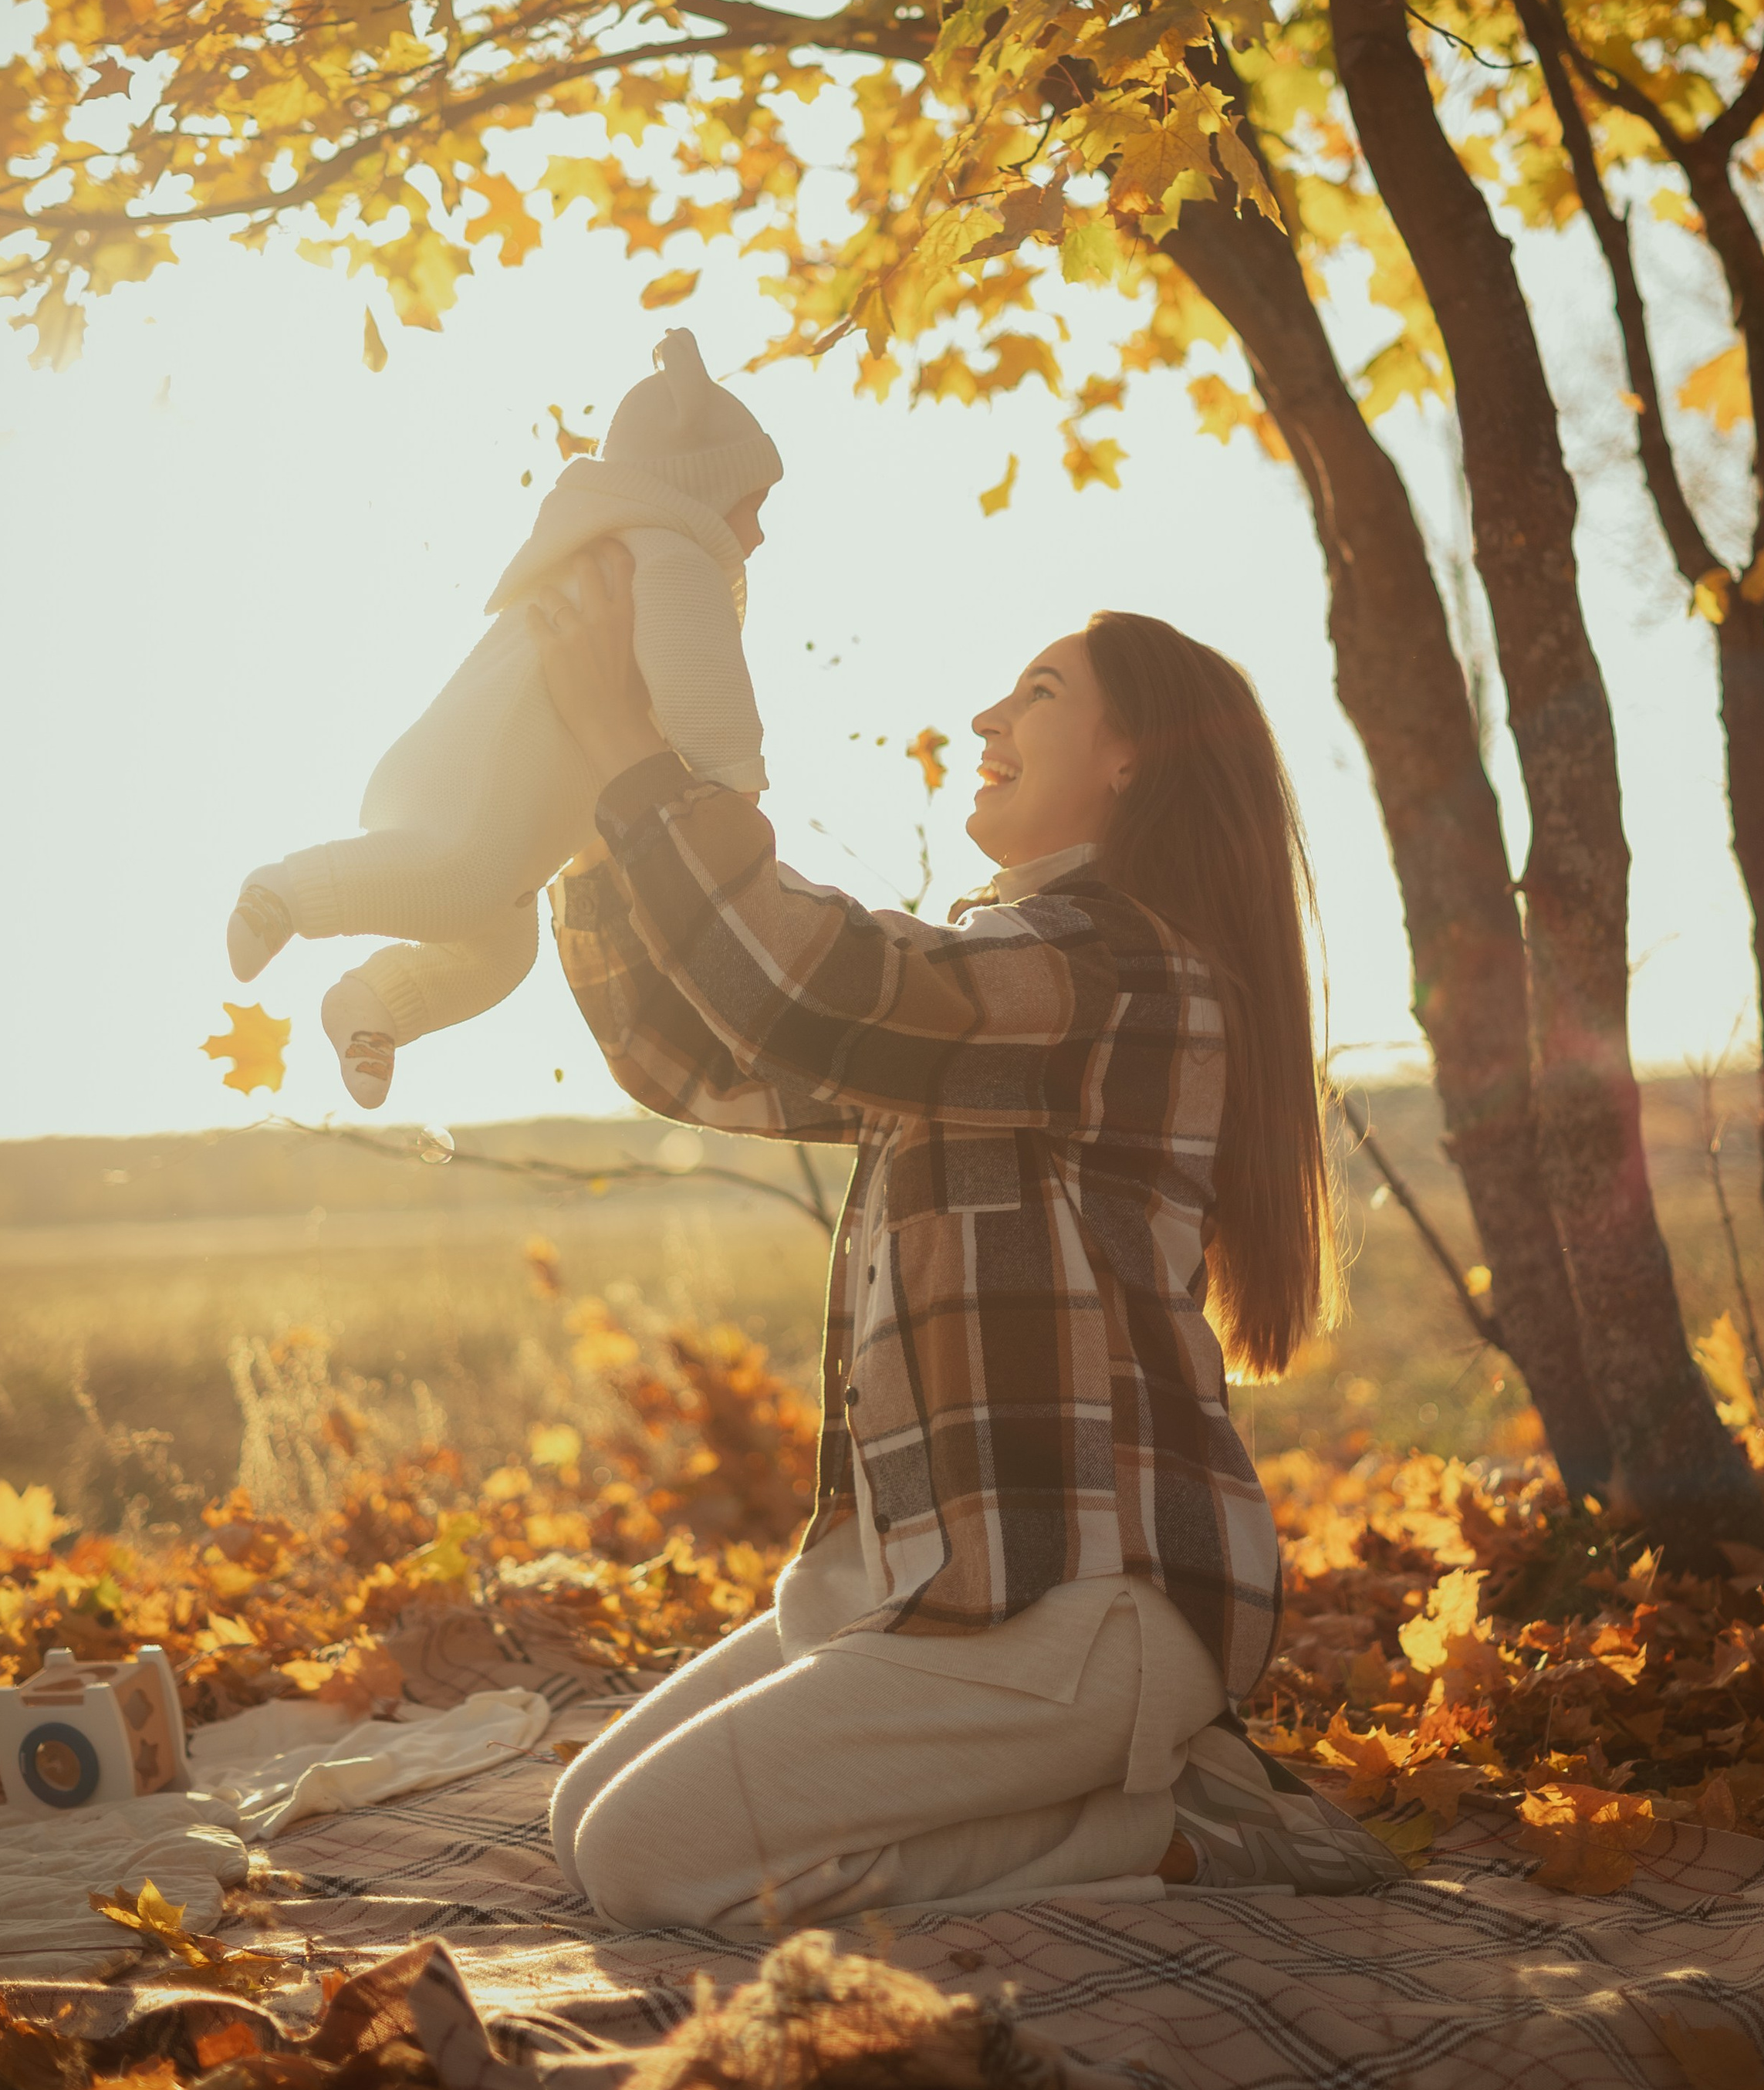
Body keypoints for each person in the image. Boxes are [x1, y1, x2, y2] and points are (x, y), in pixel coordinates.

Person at [533, 565, 1402, 1930]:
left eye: (1040, 691)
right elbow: (698, 1056)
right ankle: (1115, 1797)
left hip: (1083, 1610)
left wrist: (632, 761)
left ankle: (1158, 1831)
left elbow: (811, 986)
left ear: (1132, 759)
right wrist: (595, 825)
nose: (991, 712)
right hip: (957, 1584)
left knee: (648, 1861)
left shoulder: (1113, 969)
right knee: (580, 1819)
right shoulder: (1010, 978)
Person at [222, 330, 780, 1109]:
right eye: (753, 507)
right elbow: (706, 691)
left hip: (462, 798)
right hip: (470, 803)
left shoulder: (605, 553)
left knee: (502, 953)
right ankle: (287, 892)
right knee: (467, 886)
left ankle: (372, 1007)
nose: (758, 534)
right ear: (702, 488)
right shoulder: (670, 559)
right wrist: (731, 787)